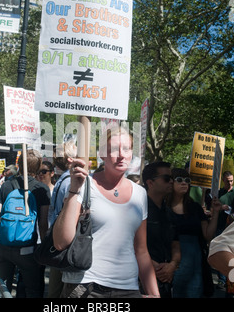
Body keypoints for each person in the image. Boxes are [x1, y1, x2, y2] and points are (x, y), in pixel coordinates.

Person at [53, 126, 160, 298]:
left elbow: (141, 249)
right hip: (86, 286)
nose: (121, 155)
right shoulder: (83, 184)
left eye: (126, 149)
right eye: (114, 149)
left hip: (128, 289)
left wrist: (155, 294)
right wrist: (73, 190)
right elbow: (60, 242)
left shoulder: (140, 194)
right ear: (102, 154)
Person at [0, 149, 51, 298]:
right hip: (28, 248)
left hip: (4, 246)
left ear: (18, 164)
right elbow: (43, 224)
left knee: (2, 288)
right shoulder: (41, 189)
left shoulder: (6, 185)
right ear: (38, 167)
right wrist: (44, 247)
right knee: (32, 290)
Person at [166, 168, 226, 298]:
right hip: (170, 264)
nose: (184, 183)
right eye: (179, 180)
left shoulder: (195, 208)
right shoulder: (163, 207)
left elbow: (207, 235)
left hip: (194, 266)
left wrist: (215, 213)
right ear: (170, 182)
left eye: (187, 180)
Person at [142, 161, 180, 298]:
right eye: (166, 178)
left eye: (172, 178)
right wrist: (155, 267)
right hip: (142, 280)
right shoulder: (138, 210)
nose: (171, 182)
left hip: (166, 280)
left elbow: (175, 243)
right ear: (150, 183)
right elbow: (128, 243)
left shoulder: (169, 213)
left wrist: (172, 265)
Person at [47, 141, 77, 298]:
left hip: (58, 241)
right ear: (70, 159)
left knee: (56, 287)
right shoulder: (70, 183)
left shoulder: (62, 180)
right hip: (65, 245)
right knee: (61, 289)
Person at [215, 171, 234, 291]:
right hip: (220, 228)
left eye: (231, 181)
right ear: (222, 180)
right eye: (227, 180)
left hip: (233, 230)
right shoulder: (219, 193)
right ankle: (222, 280)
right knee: (222, 254)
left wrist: (230, 209)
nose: (229, 183)